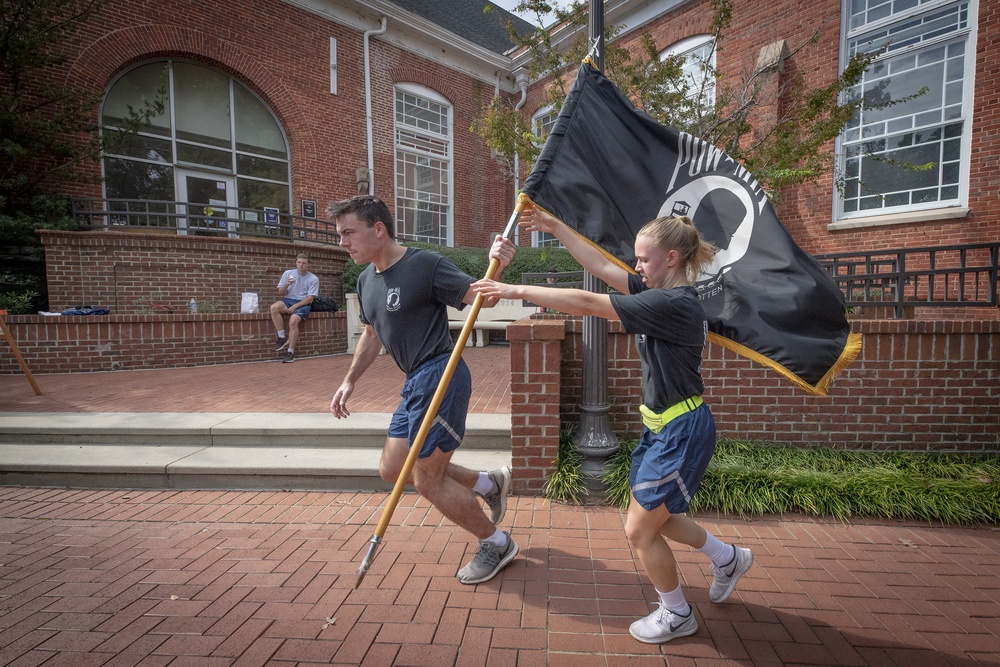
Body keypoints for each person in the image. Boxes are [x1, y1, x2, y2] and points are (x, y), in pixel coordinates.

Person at [473, 206, 754, 644]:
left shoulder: (671, 302)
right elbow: (602, 268)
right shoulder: (656, 290)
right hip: (662, 428)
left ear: (673, 258)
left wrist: (510, 289)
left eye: (644, 259)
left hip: (681, 431)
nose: (636, 266)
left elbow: (588, 302)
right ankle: (728, 557)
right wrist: (555, 227)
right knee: (657, 521)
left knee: (639, 529)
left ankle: (678, 613)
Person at [327, 194, 518, 585]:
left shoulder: (423, 264)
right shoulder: (366, 281)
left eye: (348, 233)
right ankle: (488, 483)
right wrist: (349, 380)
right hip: (414, 381)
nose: (342, 242)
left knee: (427, 478)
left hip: (441, 375)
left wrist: (501, 264)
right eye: (339, 234)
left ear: (378, 229)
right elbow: (372, 334)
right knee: (393, 469)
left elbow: (479, 295)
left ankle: (497, 543)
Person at [270, 253, 319, 363]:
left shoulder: (313, 278)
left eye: (304, 263)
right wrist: (287, 284)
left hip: (303, 303)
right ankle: (282, 338)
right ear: (296, 262)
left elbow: (310, 298)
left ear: (308, 265)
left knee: (293, 322)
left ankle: (290, 352)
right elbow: (281, 292)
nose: (301, 265)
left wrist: (294, 307)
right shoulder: (288, 273)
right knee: (274, 308)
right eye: (299, 262)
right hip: (288, 300)